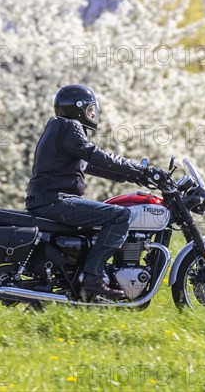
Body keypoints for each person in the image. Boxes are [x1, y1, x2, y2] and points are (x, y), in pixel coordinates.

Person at [26, 84, 153, 300]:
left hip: (48, 200)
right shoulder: (70, 127)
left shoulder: (59, 129)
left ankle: (90, 275)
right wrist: (140, 169)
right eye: (90, 109)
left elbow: (92, 166)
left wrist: (135, 176)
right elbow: (95, 155)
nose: (93, 114)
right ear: (78, 108)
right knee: (120, 215)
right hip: (57, 201)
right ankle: (93, 279)